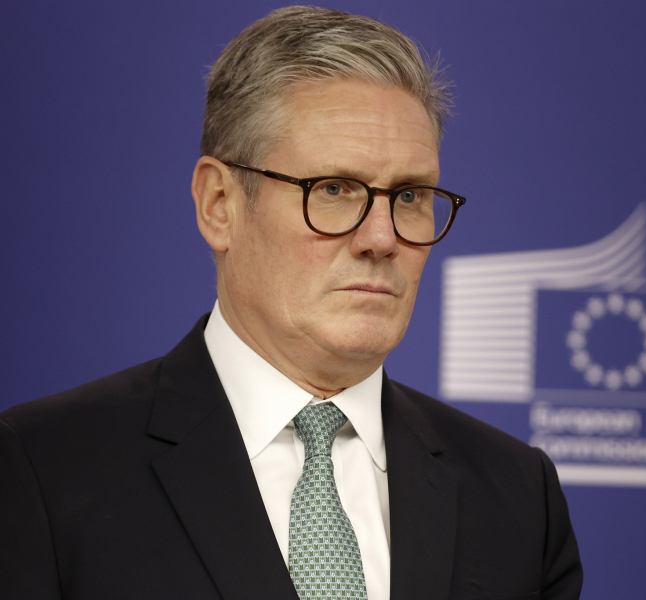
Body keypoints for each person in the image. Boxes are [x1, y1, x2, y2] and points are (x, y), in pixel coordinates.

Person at [0, 6, 582, 599]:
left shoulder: (518, 496)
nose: (382, 238)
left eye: (409, 196)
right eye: (333, 189)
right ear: (219, 204)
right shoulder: (40, 469)